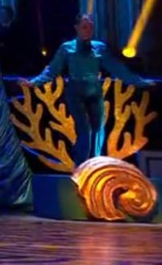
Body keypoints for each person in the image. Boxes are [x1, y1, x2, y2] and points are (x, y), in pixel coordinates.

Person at [21, 14, 155, 165]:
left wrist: (140, 82)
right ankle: (81, 163)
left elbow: (117, 68)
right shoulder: (67, 48)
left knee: (98, 129)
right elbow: (52, 70)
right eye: (85, 27)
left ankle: (95, 163)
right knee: (85, 129)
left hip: (94, 91)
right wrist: (34, 82)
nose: (88, 30)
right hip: (75, 92)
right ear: (77, 28)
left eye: (90, 27)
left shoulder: (100, 47)